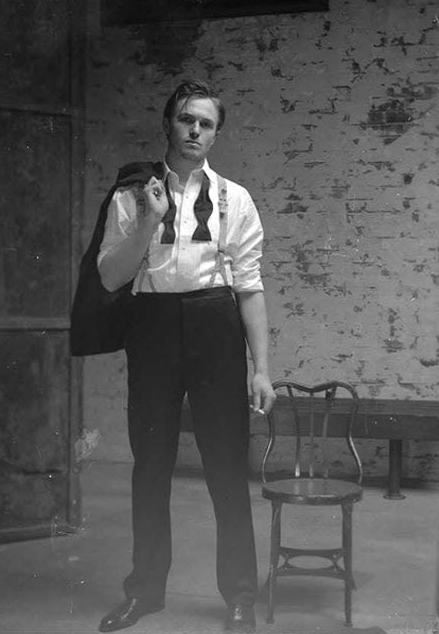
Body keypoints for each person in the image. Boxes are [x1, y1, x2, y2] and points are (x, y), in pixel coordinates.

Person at [95, 80, 276, 633]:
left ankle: (240, 596)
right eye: (186, 119)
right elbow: (110, 277)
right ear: (168, 124)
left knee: (226, 466)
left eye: (206, 124)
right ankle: (145, 591)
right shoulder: (132, 196)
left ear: (215, 134)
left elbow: (250, 287)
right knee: (151, 466)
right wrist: (150, 220)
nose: (195, 130)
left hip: (215, 326)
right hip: (152, 328)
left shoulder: (235, 199)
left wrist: (262, 369)